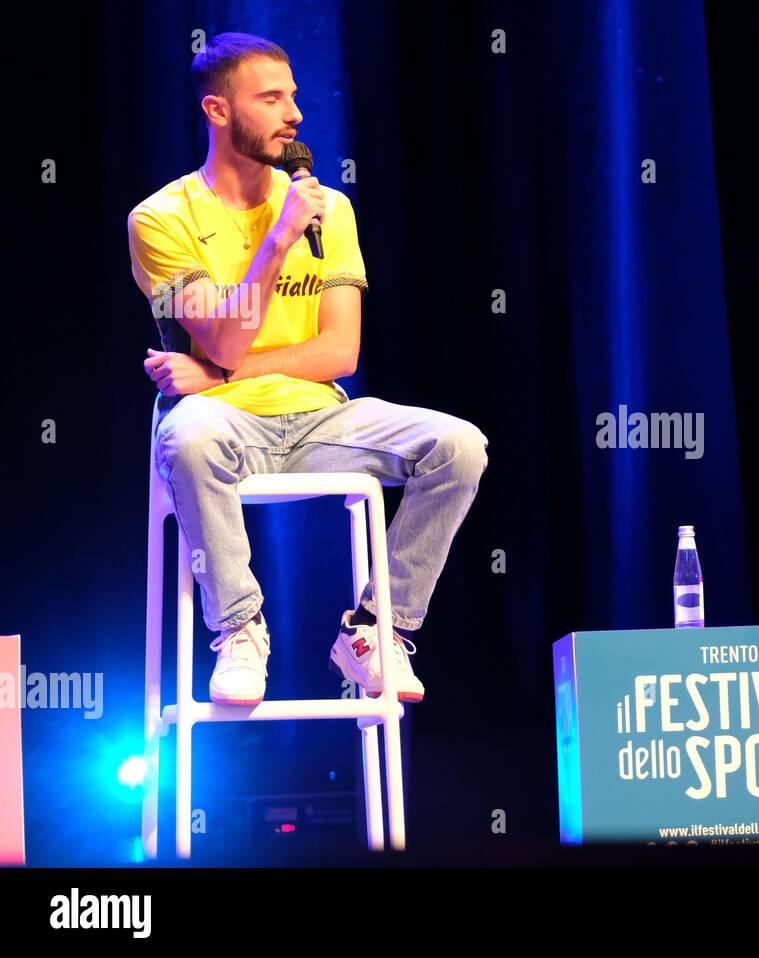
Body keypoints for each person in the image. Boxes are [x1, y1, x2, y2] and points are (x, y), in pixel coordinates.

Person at [127, 33, 488, 706]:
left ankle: (376, 632)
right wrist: (277, 241)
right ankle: (239, 629)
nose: (293, 113)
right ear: (218, 110)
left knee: (460, 446)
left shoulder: (333, 209)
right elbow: (227, 339)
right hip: (226, 429)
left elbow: (338, 353)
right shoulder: (160, 219)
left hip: (321, 417)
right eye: (270, 98)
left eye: (293, 96)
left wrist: (215, 374)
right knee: (191, 433)